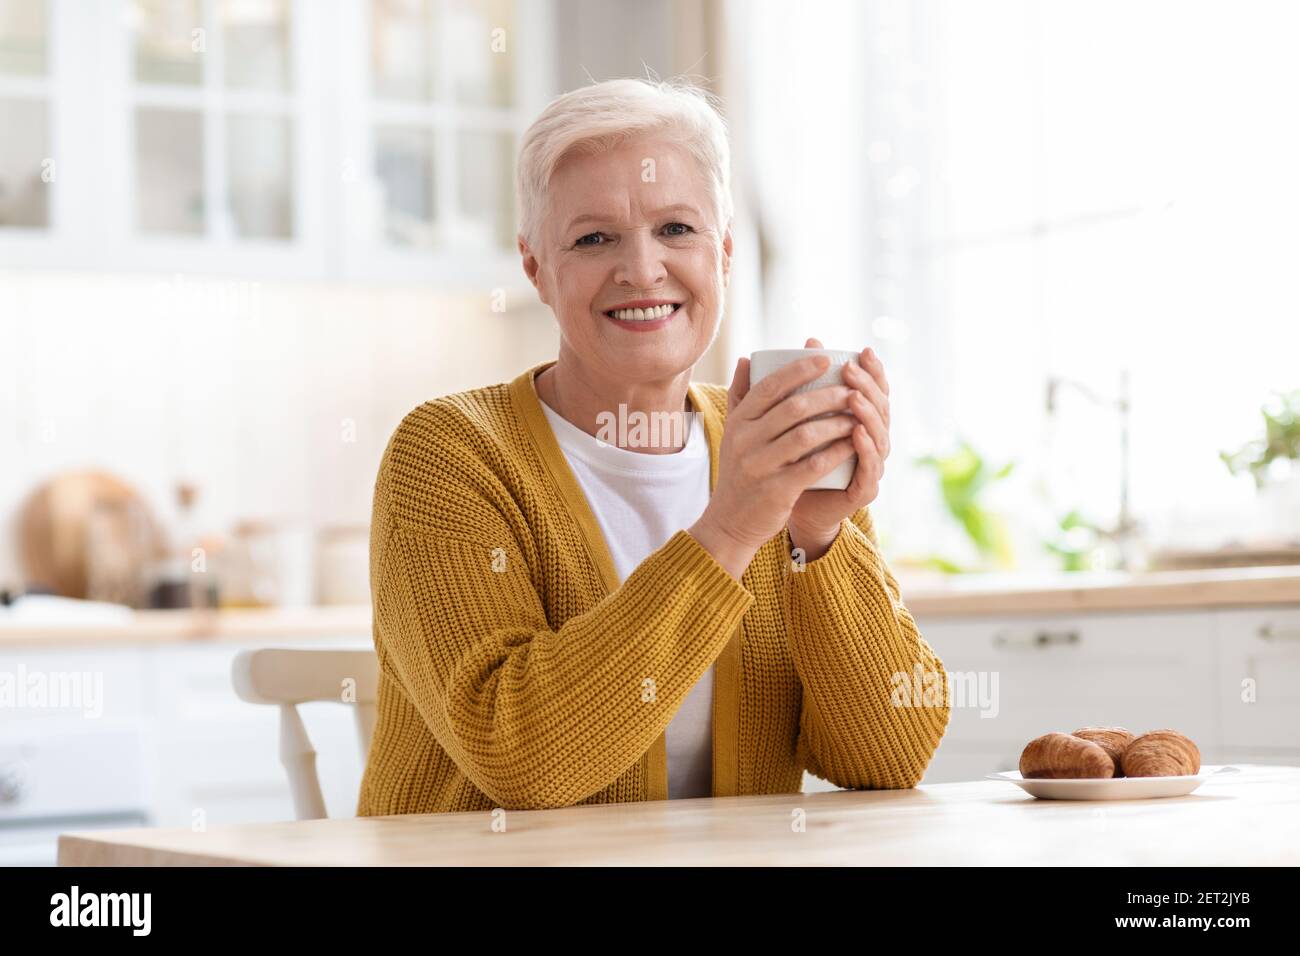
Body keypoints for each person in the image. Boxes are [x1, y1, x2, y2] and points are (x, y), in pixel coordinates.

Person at [356, 77, 949, 815]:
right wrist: (729, 530)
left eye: (676, 229)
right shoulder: (449, 454)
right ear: (536, 267)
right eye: (593, 238)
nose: (642, 270)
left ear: (725, 253)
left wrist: (819, 539)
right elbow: (522, 758)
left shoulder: (772, 452)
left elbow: (887, 757)